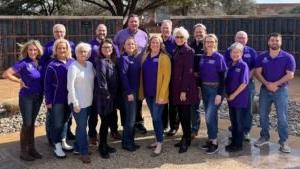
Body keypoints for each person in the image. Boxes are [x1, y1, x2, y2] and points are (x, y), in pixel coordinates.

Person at [254, 33, 296, 153]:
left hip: (281, 91)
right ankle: (264, 136)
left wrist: (275, 84)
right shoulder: (262, 56)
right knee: (262, 115)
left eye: (277, 40)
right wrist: (267, 84)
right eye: (272, 40)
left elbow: (290, 74)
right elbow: (257, 72)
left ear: (280, 42)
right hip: (265, 90)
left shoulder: (288, 57)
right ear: (268, 42)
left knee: (282, 117)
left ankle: (283, 141)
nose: (274, 42)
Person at [3, 40, 44, 161]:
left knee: (32, 123)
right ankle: (23, 151)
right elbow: (6, 74)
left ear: (38, 51)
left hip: (38, 96)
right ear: (26, 51)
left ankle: (32, 149)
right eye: (30, 50)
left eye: (35, 50)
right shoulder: (23, 63)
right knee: (27, 123)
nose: (32, 52)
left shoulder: (40, 63)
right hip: (27, 97)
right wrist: (19, 81)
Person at [40, 24, 76, 144]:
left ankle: (66, 134)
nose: (59, 34)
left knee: (67, 115)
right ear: (53, 33)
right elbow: (41, 62)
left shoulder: (70, 44)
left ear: (65, 33)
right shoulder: (47, 47)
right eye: (57, 32)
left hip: (67, 86)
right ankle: (51, 137)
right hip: (53, 83)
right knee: (53, 116)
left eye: (61, 32)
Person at [114, 14, 148, 134]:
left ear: (138, 23)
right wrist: (120, 59)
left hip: (138, 70)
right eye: (131, 21)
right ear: (128, 23)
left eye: (135, 22)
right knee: (127, 100)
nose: (134, 23)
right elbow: (114, 47)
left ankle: (138, 123)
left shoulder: (144, 35)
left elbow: (146, 50)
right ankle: (126, 125)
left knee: (138, 100)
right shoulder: (121, 34)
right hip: (125, 68)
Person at [88, 24, 122, 145]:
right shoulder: (90, 45)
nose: (102, 32)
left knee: (111, 113)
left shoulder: (112, 45)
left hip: (111, 84)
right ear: (96, 31)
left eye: (104, 30)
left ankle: (114, 130)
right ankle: (92, 134)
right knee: (95, 113)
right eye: (100, 30)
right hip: (98, 84)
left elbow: (116, 60)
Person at [139, 35, 171, 156]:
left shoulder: (164, 58)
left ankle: (160, 143)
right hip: (148, 93)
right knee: (154, 117)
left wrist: (162, 95)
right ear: (149, 44)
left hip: (159, 94)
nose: (155, 45)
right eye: (153, 43)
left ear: (160, 44)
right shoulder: (145, 56)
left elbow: (166, 78)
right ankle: (157, 139)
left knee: (157, 118)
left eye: (157, 43)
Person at [224, 31, 257, 141]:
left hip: (247, 84)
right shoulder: (229, 51)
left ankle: (245, 131)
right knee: (233, 109)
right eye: (239, 38)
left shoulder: (251, 52)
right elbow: (226, 67)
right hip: (233, 85)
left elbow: (255, 68)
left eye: (243, 38)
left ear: (247, 39)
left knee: (247, 109)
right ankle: (236, 130)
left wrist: (247, 78)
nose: (241, 40)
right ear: (235, 38)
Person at [44, 39, 74, 158]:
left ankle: (63, 141)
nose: (62, 50)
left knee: (66, 121)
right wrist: (48, 101)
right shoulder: (52, 65)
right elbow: (47, 85)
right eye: (59, 48)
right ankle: (56, 145)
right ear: (55, 50)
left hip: (70, 98)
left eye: (64, 48)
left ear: (67, 49)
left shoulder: (72, 62)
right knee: (57, 123)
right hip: (57, 100)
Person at [171, 27, 198, 153]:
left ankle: (186, 140)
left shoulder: (188, 51)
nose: (179, 39)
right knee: (181, 115)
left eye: (181, 37)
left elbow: (188, 72)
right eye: (177, 36)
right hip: (176, 88)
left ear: (186, 38)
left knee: (185, 115)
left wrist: (183, 91)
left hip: (184, 89)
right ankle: (184, 137)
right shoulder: (176, 49)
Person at [199, 34, 227, 154]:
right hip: (205, 88)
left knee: (210, 115)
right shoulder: (203, 57)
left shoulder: (219, 57)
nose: (209, 44)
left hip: (215, 89)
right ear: (205, 43)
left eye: (212, 41)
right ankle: (211, 138)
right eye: (207, 42)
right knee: (209, 115)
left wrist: (220, 94)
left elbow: (223, 77)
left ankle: (214, 142)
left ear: (215, 43)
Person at [67, 42, 94, 163]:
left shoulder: (90, 65)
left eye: (85, 51)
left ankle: (77, 147)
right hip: (78, 103)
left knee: (82, 126)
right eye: (80, 51)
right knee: (83, 128)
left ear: (89, 53)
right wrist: (75, 102)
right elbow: (70, 87)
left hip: (89, 102)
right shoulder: (73, 67)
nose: (83, 53)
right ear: (76, 53)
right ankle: (84, 152)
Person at [94, 39, 118, 159]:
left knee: (107, 122)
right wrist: (108, 96)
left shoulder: (111, 61)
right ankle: (102, 147)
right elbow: (102, 83)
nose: (107, 49)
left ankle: (104, 143)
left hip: (111, 97)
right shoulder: (101, 62)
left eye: (109, 47)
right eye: (105, 48)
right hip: (104, 98)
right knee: (104, 123)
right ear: (101, 50)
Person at [225, 42, 249, 152]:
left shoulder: (243, 65)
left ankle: (238, 145)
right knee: (233, 122)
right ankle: (233, 142)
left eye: (237, 52)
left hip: (239, 99)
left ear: (241, 53)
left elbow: (244, 83)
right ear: (230, 53)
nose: (235, 54)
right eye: (233, 52)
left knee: (239, 123)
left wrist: (233, 95)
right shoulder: (230, 65)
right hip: (231, 99)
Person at [120, 37, 141, 152]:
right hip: (129, 92)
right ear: (124, 46)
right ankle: (127, 143)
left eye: (133, 44)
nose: (131, 46)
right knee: (130, 119)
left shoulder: (135, 58)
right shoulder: (124, 59)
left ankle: (130, 141)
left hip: (136, 91)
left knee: (132, 118)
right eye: (128, 44)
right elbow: (123, 76)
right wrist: (129, 92)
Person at [160, 19, 179, 136]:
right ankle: (163, 125)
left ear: (171, 29)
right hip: (161, 77)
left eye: (167, 28)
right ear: (160, 29)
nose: (165, 30)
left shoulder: (176, 41)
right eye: (163, 27)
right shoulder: (157, 41)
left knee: (173, 104)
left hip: (173, 78)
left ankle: (174, 126)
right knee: (162, 101)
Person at [189, 23, 207, 139]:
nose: (199, 34)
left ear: (205, 33)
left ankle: (211, 134)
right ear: (193, 33)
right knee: (194, 107)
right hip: (194, 82)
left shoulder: (209, 45)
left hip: (207, 82)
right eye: (197, 32)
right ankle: (194, 129)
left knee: (209, 108)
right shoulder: (190, 45)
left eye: (201, 32)